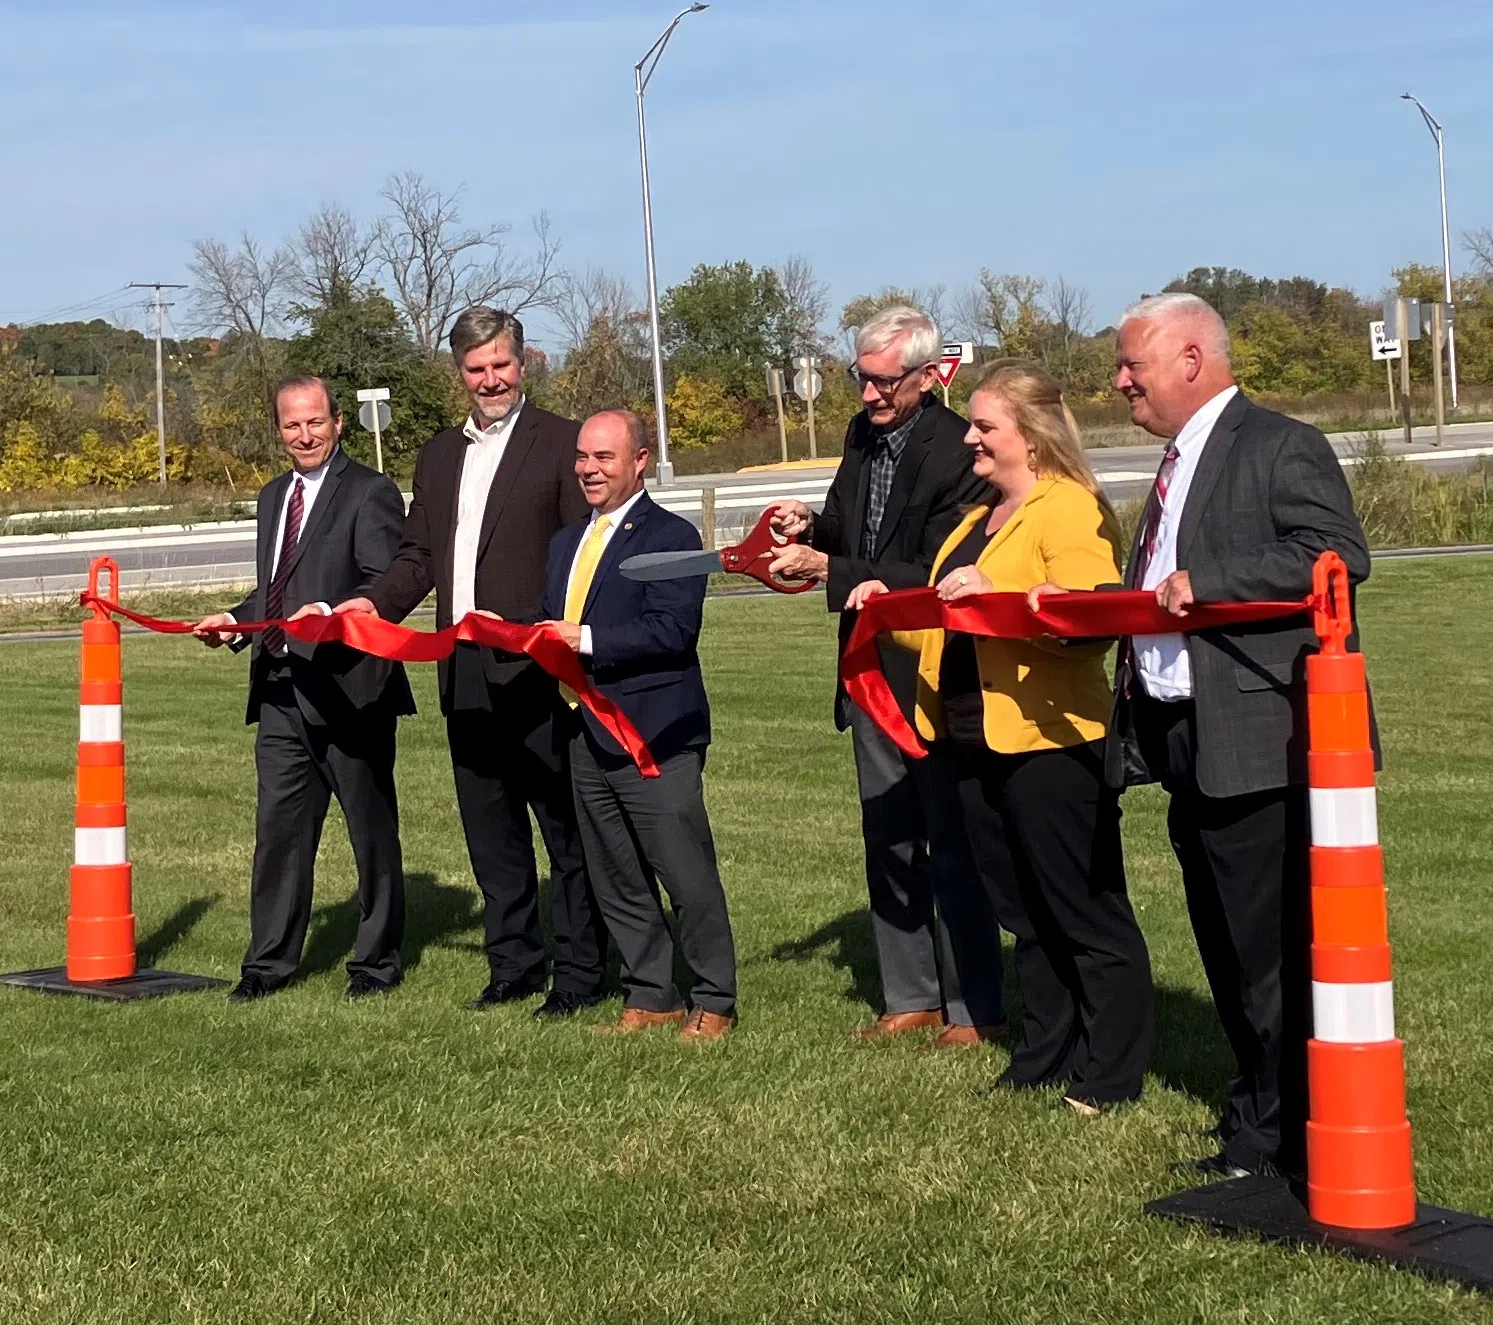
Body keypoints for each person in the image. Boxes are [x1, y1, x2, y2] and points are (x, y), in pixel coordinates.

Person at [1065, 292, 1371, 1175]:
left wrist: (1213, 580)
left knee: (1265, 947)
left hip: (1258, 738)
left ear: (1191, 358)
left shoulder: (1279, 445)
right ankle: (1260, 1105)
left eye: (1132, 364)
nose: (1119, 380)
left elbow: (1336, 557)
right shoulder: (1175, 461)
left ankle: (1277, 1130)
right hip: (1179, 734)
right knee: (1224, 940)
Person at [853, 361, 1154, 1106]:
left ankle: (1110, 1072)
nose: (970, 441)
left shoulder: (1068, 508)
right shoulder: (975, 517)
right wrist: (890, 605)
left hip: (1050, 740)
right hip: (969, 738)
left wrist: (1007, 595)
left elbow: (1088, 616)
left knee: (1080, 908)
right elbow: (950, 613)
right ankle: (1044, 1051)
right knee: (1021, 910)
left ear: (1034, 433)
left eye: (985, 427)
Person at [334, 307, 608, 1017]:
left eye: (500, 365)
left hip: (537, 669)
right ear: (458, 373)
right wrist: (372, 605)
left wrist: (558, 631)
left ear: (523, 363)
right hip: (462, 673)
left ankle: (580, 972)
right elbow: (417, 555)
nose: (490, 379)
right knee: (491, 832)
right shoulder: (437, 454)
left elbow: (582, 551)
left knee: (564, 830)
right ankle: (512, 964)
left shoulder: (561, 444)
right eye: (476, 369)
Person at [768, 305, 1004, 1047]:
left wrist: (828, 567)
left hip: (932, 667)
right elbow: (851, 528)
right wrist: (808, 526)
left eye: (881, 382)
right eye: (859, 378)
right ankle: (911, 996)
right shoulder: (861, 436)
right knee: (888, 835)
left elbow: (938, 569)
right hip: (867, 665)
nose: (867, 395)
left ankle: (974, 1006)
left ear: (929, 375)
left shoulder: (957, 448)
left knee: (949, 838)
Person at [194, 375, 415, 1001]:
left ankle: (375, 965)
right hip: (279, 689)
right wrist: (237, 622)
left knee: (370, 831)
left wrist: (331, 612)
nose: (305, 434)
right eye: (293, 425)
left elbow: (382, 584)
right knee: (280, 833)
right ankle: (266, 967)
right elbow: (274, 591)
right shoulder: (272, 497)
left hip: (350, 687)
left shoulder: (369, 492)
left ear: (339, 422)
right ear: (279, 431)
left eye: (315, 421)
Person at [539, 411, 739, 1040]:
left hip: (655, 734)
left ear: (640, 460)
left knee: (684, 872)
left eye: (603, 458)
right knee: (615, 873)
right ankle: (651, 993)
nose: (589, 470)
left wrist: (586, 638)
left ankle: (715, 999)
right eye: (582, 457)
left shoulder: (673, 537)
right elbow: (552, 620)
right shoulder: (565, 542)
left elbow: (673, 632)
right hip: (583, 733)